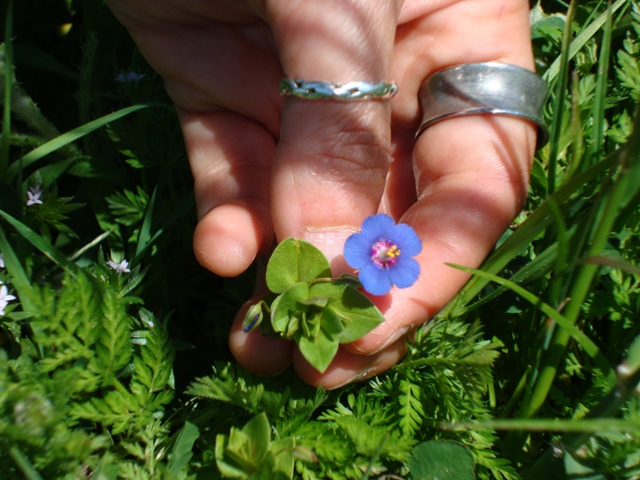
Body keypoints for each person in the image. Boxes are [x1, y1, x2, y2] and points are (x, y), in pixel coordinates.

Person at [106, 0, 541, 389]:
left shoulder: (384, 258)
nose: (387, 253)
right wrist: (330, 198)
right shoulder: (369, 247)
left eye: (388, 254)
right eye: (388, 251)